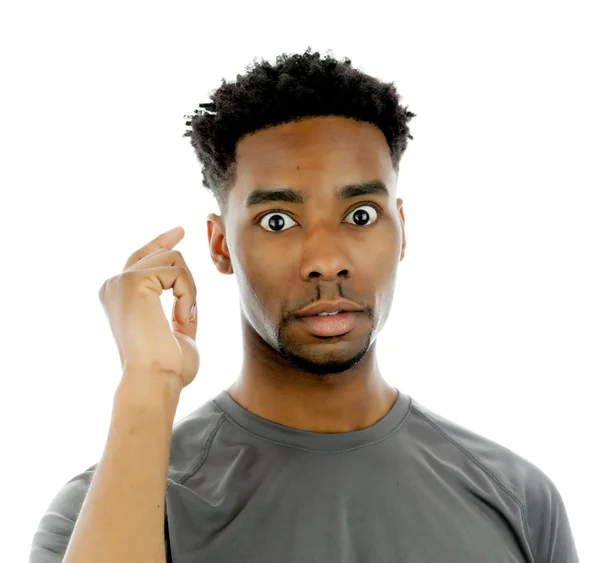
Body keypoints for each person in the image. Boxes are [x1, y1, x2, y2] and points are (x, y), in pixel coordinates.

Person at [30, 48, 579, 562]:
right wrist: (147, 386)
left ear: (402, 230)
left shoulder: (520, 500)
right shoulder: (101, 511)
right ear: (221, 245)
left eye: (361, 214)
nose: (326, 260)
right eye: (278, 221)